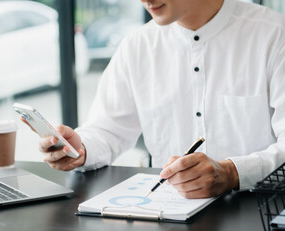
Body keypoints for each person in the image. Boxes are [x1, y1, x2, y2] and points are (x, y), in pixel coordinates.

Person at [33, 0, 285, 199]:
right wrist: (81, 149)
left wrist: (232, 173)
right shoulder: (137, 45)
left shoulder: (274, 35)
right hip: (166, 219)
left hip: (261, 214)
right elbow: (107, 130)